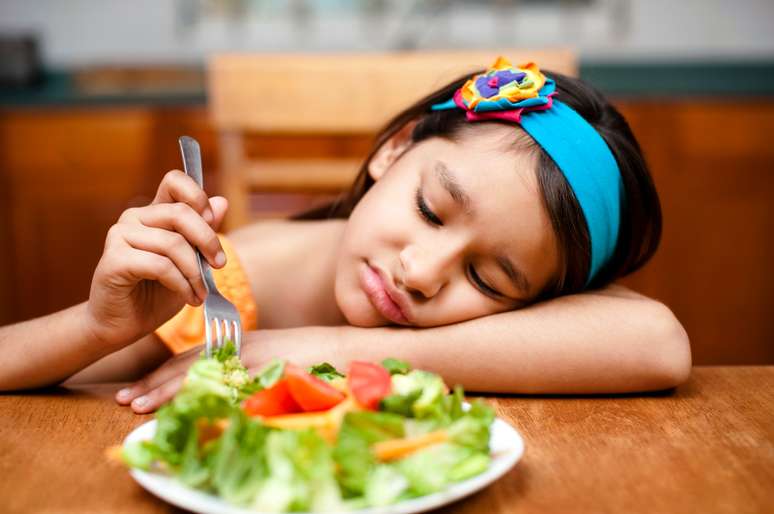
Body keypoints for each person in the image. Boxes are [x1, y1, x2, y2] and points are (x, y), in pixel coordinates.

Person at [0, 58, 691, 413]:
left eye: (488, 279)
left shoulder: (519, 325)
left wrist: (314, 349)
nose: (422, 272)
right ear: (394, 149)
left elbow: (658, 343)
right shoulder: (236, 288)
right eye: (429, 210)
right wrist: (97, 327)